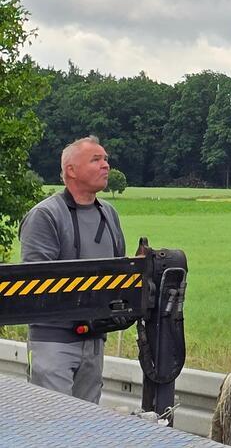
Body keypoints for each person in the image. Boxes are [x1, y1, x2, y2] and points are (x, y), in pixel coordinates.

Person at [19, 136, 127, 404]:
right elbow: (35, 283)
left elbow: (118, 269)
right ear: (71, 170)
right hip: (54, 340)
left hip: (95, 339)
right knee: (54, 424)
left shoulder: (109, 213)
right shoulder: (45, 215)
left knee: (86, 426)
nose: (106, 165)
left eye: (106, 159)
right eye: (96, 159)